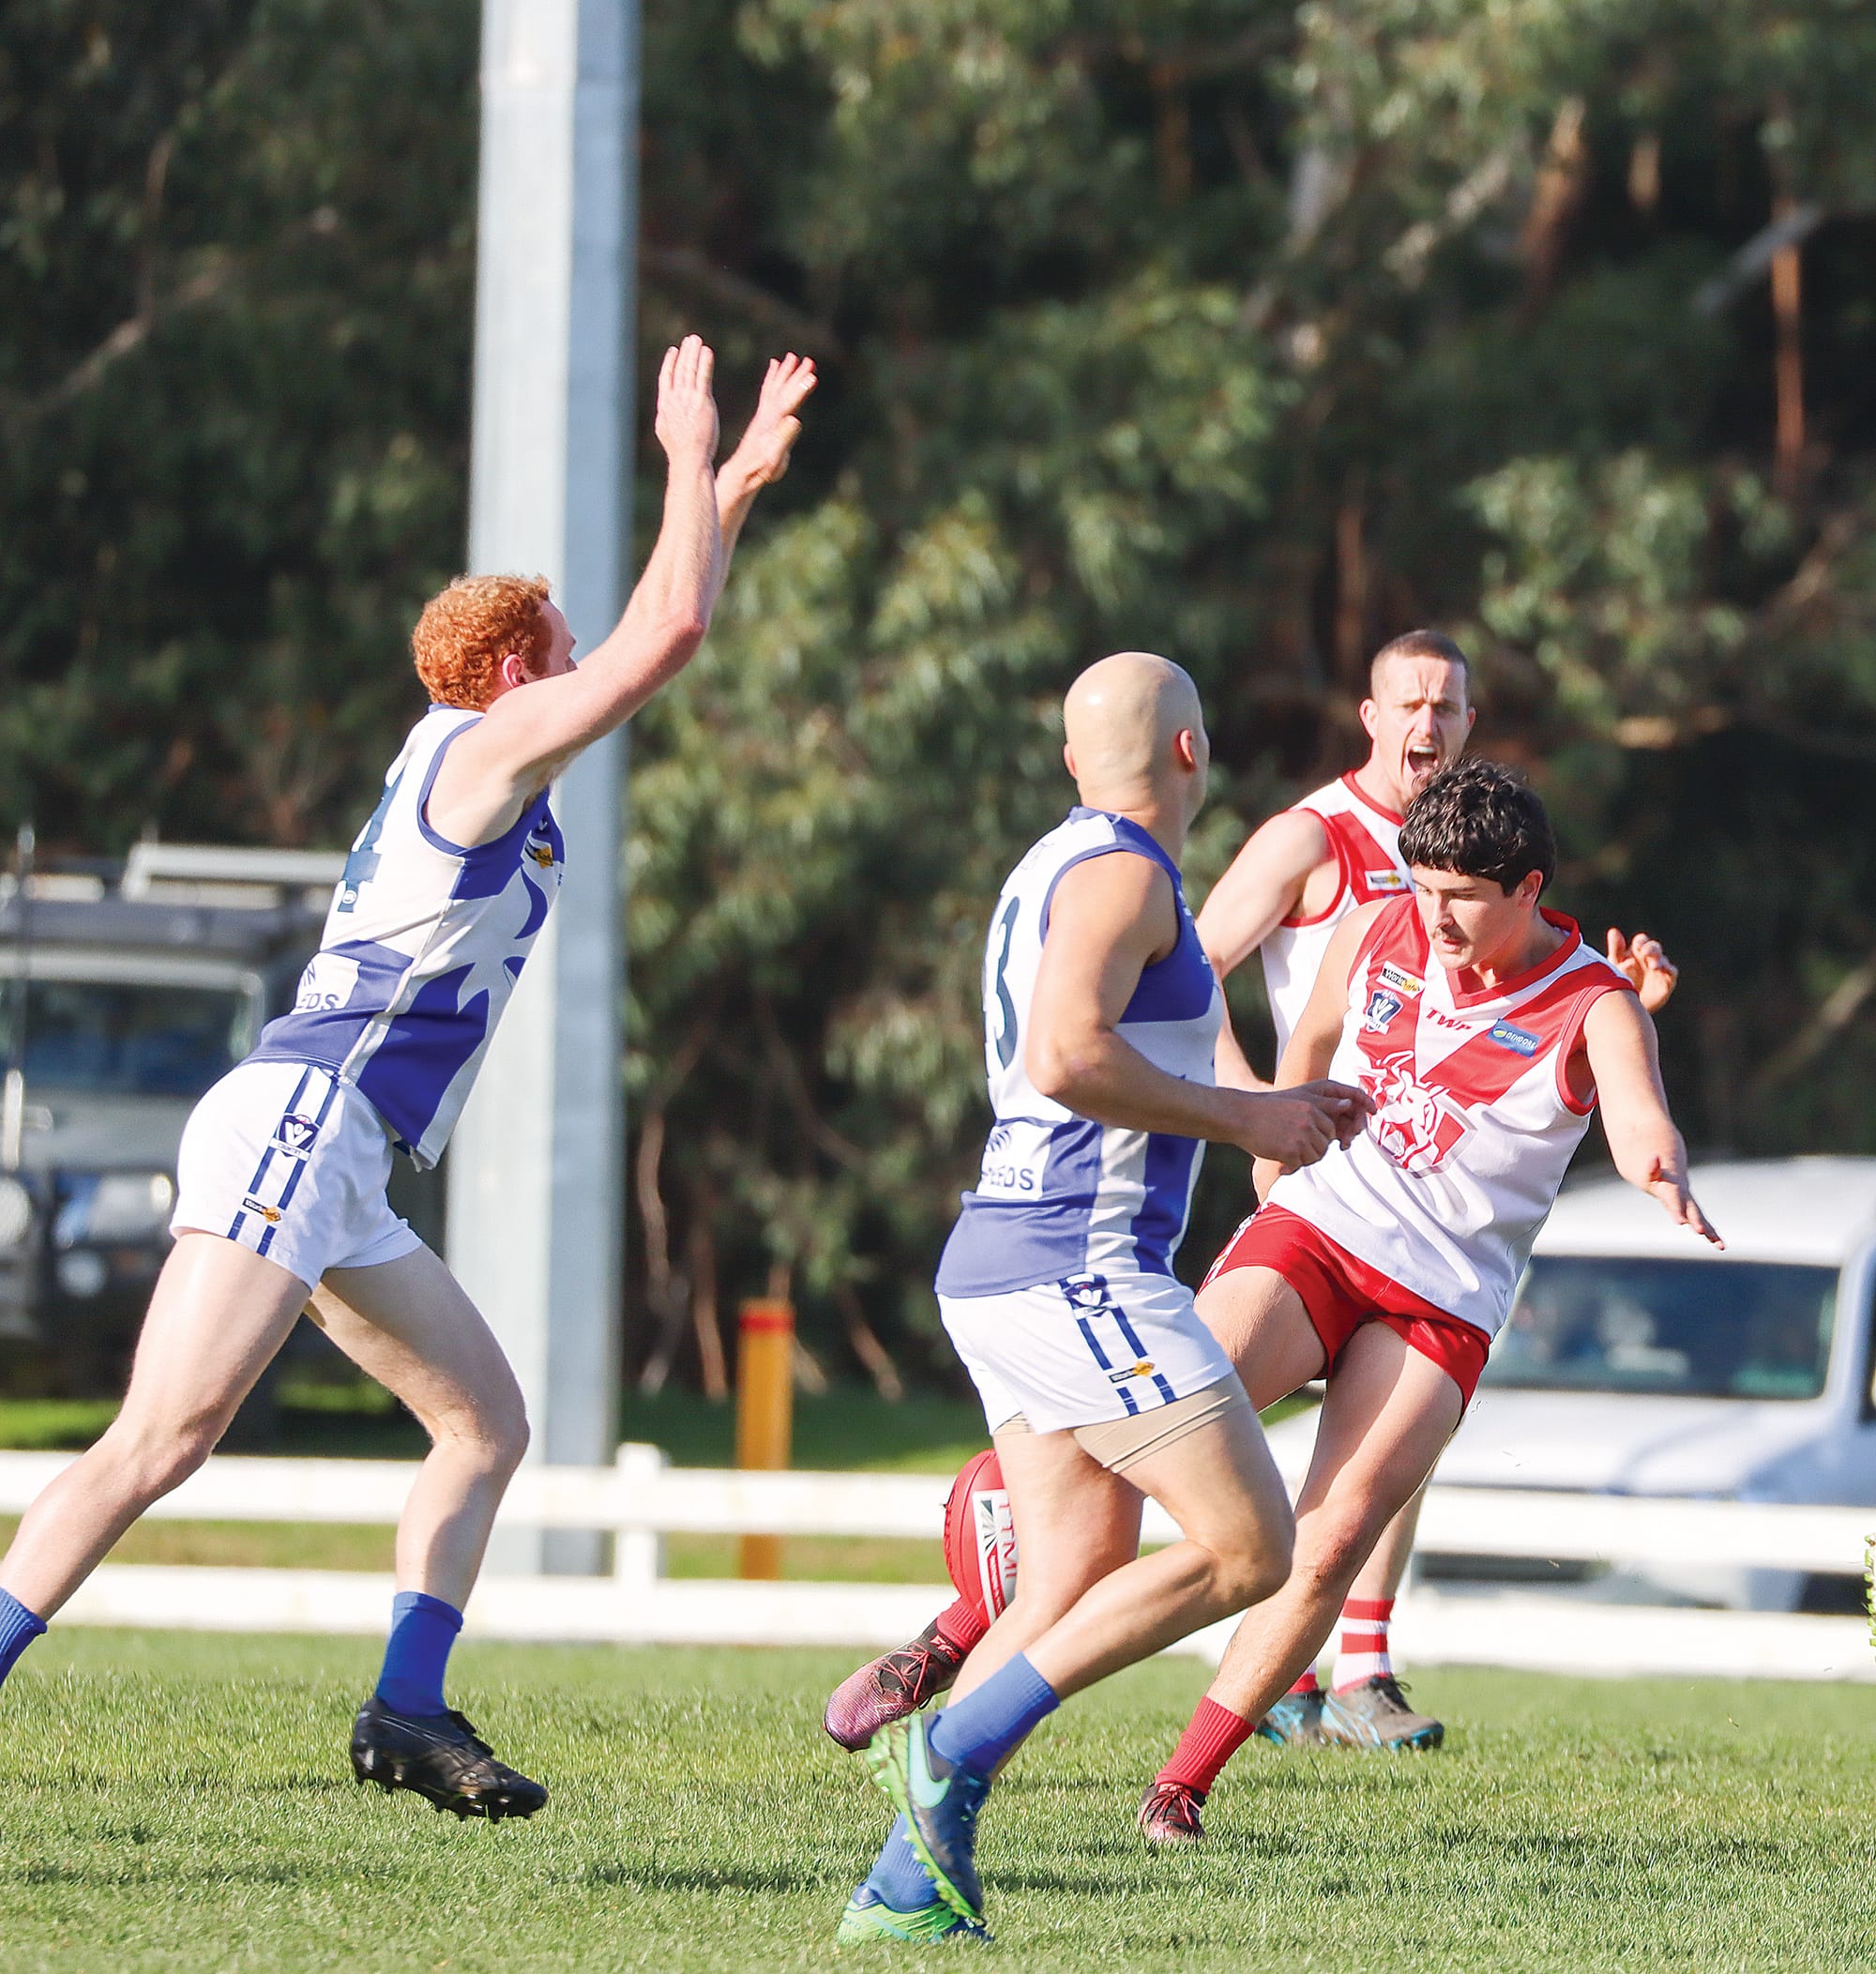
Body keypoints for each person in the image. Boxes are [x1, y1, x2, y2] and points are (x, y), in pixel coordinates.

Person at [0, 338, 815, 1820]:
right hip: (304, 1120)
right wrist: (690, 458)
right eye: (560, 646)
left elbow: (653, 621)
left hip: (343, 1155)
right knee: (160, 1441)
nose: (583, 666)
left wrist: (736, 485)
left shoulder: (478, 750)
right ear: (511, 672)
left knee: (483, 1424)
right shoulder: (485, 746)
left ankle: (406, 1710)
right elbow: (670, 632)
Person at [824, 628, 1678, 1755]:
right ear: (1367, 717)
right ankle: (968, 1640)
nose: (1427, 723)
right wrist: (1256, 1114)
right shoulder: (1289, 844)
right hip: (1222, 1218)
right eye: (1408, 703)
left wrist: (1611, 1038)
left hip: (1416, 1249)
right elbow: (1189, 974)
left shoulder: (1476, 861)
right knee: (1214, 1518)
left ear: (1471, 725)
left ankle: (1341, 1676)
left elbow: (1525, 1029)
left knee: (1316, 1512)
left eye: (1448, 706)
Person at [836, 651, 1371, 1943]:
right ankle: (951, 1747)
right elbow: (1064, 1055)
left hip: (1010, 1261)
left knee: (1068, 1575)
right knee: (1250, 1547)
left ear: (1076, 759)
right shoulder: (1125, 874)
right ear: (1193, 752)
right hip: (1075, 1266)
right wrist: (1249, 1118)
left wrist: (1265, 1105)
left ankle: (904, 1889)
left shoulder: (1054, 863)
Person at [1136, 757, 1718, 1844]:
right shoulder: (1377, 925)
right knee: (1167, 1418)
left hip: (1439, 1301)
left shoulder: (1595, 1002)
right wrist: (1274, 1141)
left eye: (1460, 896)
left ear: (1528, 888)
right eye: (1420, 886)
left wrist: (1660, 1171)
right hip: (1320, 1228)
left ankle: (1180, 1786)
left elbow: (1639, 1116)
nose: (1433, 916)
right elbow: (1310, 1042)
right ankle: (975, 1626)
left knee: (1332, 1536)